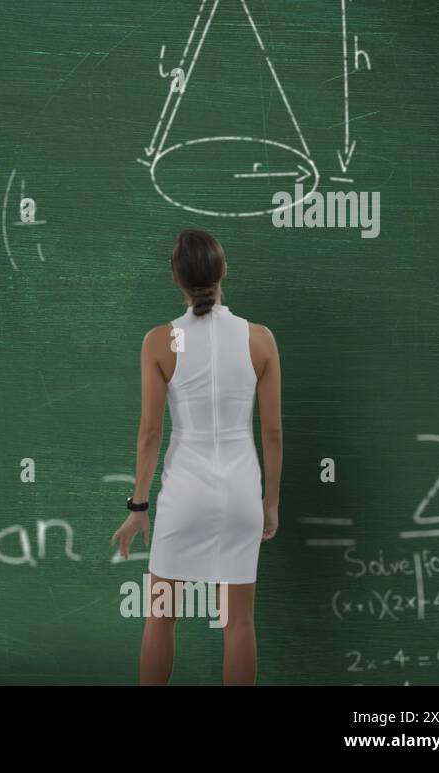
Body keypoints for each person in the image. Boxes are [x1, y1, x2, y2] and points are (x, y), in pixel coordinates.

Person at [110, 229, 282, 685]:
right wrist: (270, 503)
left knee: (161, 617)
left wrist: (138, 508)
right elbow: (273, 433)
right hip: (240, 497)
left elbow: (150, 434)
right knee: (238, 624)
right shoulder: (261, 339)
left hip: (183, 499)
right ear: (223, 271)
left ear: (175, 279)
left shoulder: (159, 342)